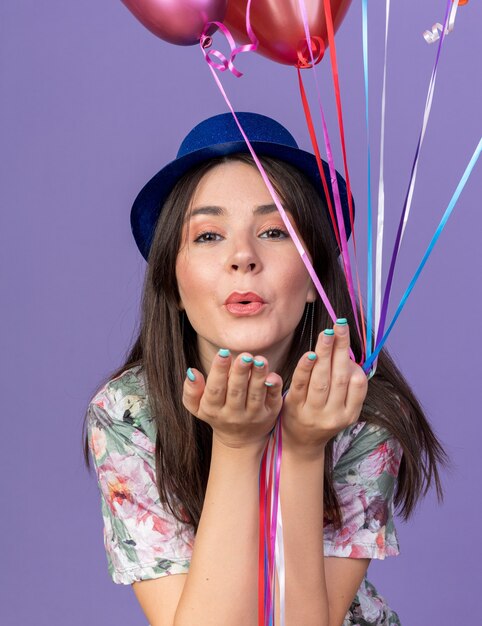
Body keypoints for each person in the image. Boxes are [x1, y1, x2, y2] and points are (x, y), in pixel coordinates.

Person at [83, 112, 447, 626]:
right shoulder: (127, 414)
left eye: (275, 231)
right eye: (208, 236)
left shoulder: (361, 409)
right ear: (173, 282)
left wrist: (303, 448)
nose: (243, 258)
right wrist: (236, 445)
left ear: (317, 272)